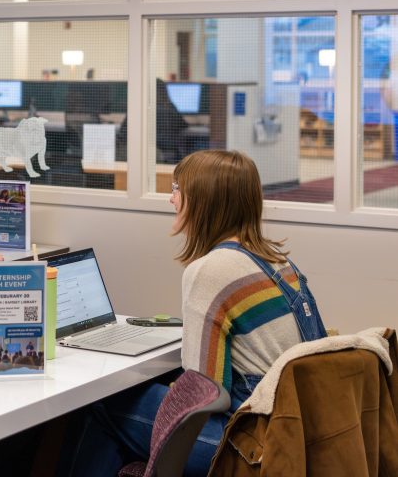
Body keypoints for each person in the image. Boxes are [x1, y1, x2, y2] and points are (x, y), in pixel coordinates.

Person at [62, 150, 327, 477]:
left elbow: (204, 390)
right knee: (123, 417)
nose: (171, 199)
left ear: (203, 202)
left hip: (250, 444)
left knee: (98, 404)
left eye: (177, 189)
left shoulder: (210, 271)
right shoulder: (279, 263)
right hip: (298, 434)